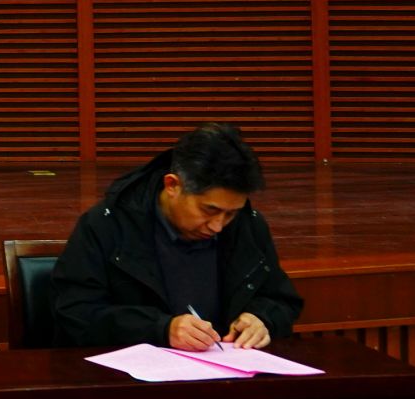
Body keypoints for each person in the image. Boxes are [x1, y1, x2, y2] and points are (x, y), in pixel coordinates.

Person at [52, 122, 303, 350]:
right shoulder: (107, 225)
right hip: (135, 377)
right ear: (172, 185)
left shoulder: (248, 225)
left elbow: (282, 300)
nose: (218, 226)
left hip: (228, 370)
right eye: (209, 210)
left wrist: (262, 319)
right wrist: (160, 329)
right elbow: (75, 313)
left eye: (230, 213)